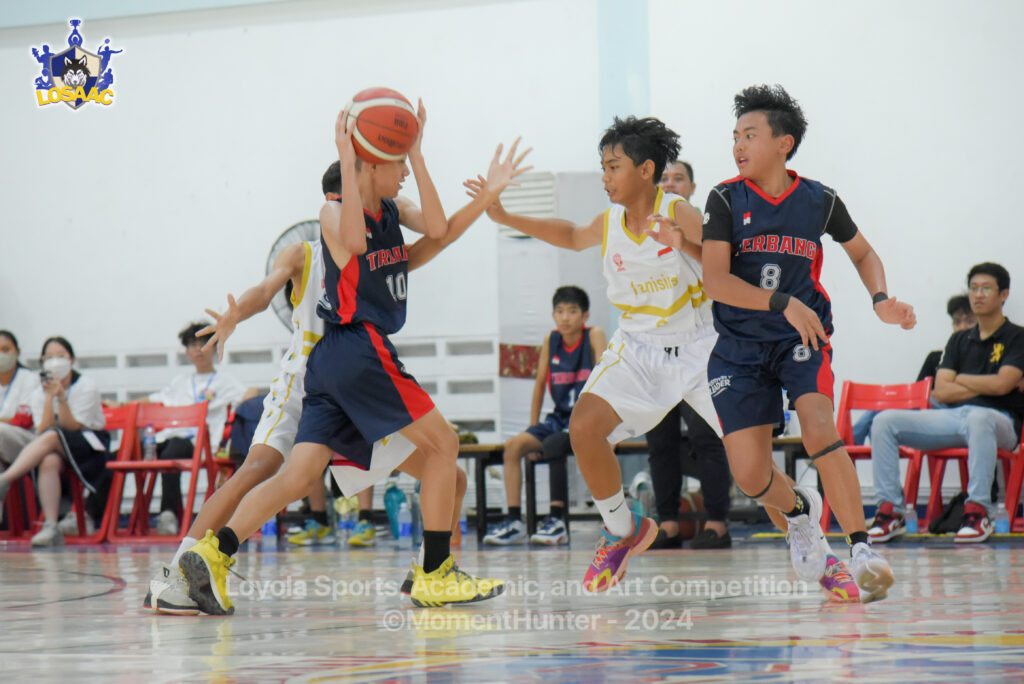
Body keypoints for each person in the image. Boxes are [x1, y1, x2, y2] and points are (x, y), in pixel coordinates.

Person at [178, 101, 531, 614]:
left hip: (332, 365)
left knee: (300, 476)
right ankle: (434, 573)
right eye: (397, 159)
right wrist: (347, 155)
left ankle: (215, 552)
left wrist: (424, 155)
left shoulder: (394, 212)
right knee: (445, 444)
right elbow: (353, 243)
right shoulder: (332, 215)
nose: (405, 170)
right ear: (370, 162)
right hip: (356, 348)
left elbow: (438, 230)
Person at [662, 84, 915, 602]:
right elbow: (716, 281)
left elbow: (863, 253)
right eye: (735, 136)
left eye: (750, 135)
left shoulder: (820, 200)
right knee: (751, 475)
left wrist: (880, 299)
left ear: (784, 143)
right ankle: (801, 514)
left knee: (820, 428)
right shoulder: (724, 198)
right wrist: (781, 302)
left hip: (802, 337)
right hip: (739, 345)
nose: (738, 145)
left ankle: (862, 549)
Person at [485, 115, 725, 593]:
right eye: (602, 167)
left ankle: (810, 533)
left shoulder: (678, 211)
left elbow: (724, 264)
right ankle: (622, 529)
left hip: (698, 347)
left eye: (613, 166)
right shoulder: (611, 221)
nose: (605, 176)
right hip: (638, 347)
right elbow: (572, 235)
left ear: (645, 170)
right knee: (583, 428)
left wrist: (683, 244)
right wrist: (505, 216)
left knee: (754, 467)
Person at [868, 263, 1023, 544]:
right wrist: (986, 383)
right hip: (954, 418)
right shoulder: (958, 339)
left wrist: (960, 379)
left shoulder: (1017, 337)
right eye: (974, 288)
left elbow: (1003, 385)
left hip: (1002, 422)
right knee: (884, 421)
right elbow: (941, 391)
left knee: (979, 417)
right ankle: (891, 512)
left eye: (986, 288)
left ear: (1003, 295)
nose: (978, 294)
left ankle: (978, 511)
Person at [643, 160, 734, 550]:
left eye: (677, 178)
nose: (669, 184)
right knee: (659, 439)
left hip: (701, 346)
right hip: (657, 348)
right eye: (663, 179)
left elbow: (722, 272)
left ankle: (717, 523)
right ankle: (667, 523)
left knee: (706, 435)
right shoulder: (642, 232)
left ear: (692, 188)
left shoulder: (703, 227)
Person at [484, 285, 605, 546]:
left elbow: (606, 380)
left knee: (553, 444)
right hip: (560, 418)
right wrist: (533, 428)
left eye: (572, 311)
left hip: (587, 419)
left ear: (584, 316)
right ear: (553, 315)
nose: (565, 317)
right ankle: (514, 521)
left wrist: (607, 428)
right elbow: (540, 384)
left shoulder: (594, 335)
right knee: (513, 446)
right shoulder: (552, 340)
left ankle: (557, 519)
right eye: (559, 311)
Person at [0, 337, 108, 546]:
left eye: (60, 356)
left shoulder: (86, 386)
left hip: (89, 444)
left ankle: (5, 479)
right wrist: (50, 397)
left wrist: (62, 398)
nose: (55, 361)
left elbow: (72, 426)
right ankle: (51, 526)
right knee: (49, 459)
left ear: (71, 359)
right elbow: (42, 429)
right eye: (49, 357)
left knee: (53, 436)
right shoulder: (38, 393)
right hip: (54, 444)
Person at [145, 322, 251, 536]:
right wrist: (120, 405)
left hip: (205, 444)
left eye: (204, 343)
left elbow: (250, 392)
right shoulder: (181, 381)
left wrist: (234, 414)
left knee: (172, 449)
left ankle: (168, 513)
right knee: (148, 449)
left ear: (214, 347)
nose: (198, 349)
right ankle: (163, 514)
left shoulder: (224, 380)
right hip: (175, 438)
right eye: (192, 345)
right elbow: (157, 399)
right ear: (186, 351)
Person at [851, 294, 976, 445]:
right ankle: (849, 446)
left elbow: (935, 396)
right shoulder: (936, 357)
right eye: (957, 322)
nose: (962, 327)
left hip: (955, 416)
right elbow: (917, 396)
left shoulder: (982, 357)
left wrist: (939, 394)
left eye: (970, 321)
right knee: (882, 412)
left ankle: (847, 444)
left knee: (886, 408)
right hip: (927, 415)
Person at [0, 331, 41, 478]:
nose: (1, 355)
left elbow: (23, 420)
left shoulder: (29, 379)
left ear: (17, 352)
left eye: (6, 350)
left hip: (26, 441)